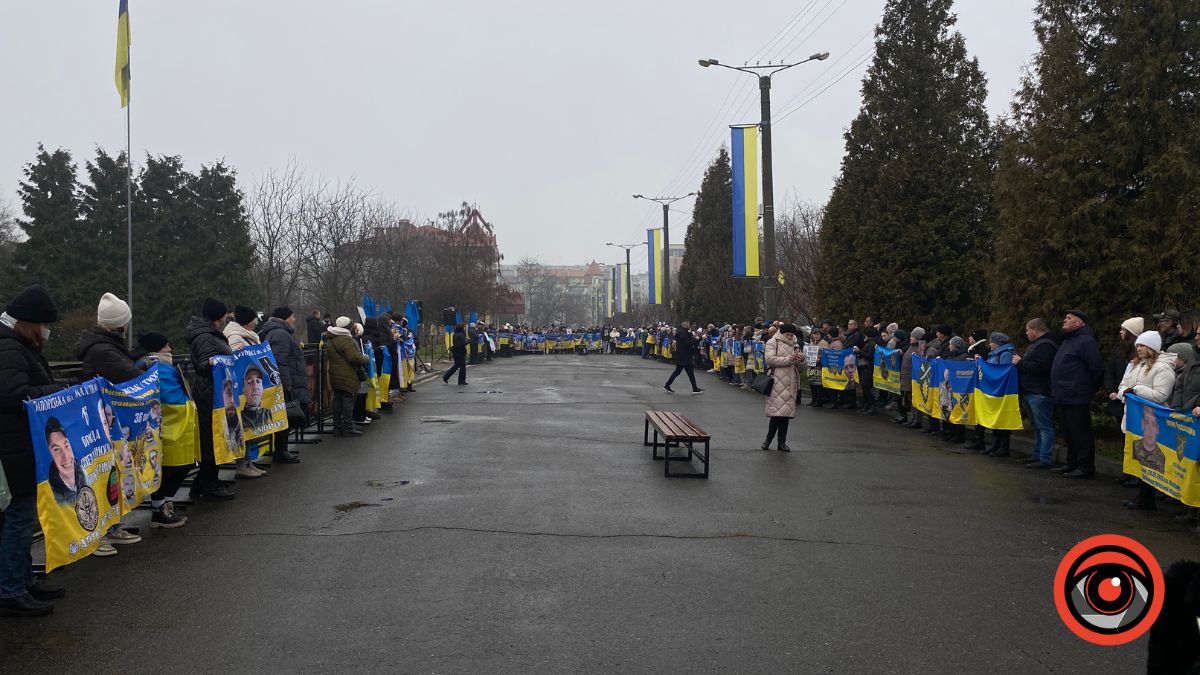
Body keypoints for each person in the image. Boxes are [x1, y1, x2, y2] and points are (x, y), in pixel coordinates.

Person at [0, 286, 68, 616]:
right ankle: (10, 590)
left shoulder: (17, 346)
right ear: (31, 324)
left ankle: (23, 580)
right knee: (18, 519)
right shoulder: (10, 349)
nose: (47, 331)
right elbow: (15, 394)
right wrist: (54, 390)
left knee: (23, 517)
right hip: (12, 447)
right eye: (44, 325)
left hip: (21, 445)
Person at [74, 292, 146, 552]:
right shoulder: (104, 350)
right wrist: (147, 371)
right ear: (121, 324)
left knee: (113, 475)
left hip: (109, 420)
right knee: (103, 476)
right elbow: (129, 375)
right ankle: (99, 535)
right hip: (101, 422)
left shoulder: (105, 345)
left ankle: (112, 527)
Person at [133, 331, 190, 527]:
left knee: (179, 464)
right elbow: (168, 396)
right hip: (167, 425)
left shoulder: (161, 367)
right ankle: (160, 507)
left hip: (176, 424)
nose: (170, 350)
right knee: (170, 466)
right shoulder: (154, 369)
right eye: (166, 346)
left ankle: (164, 503)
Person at [1115, 332, 1177, 511]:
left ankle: (1148, 497)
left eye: (1142, 345)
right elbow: (1123, 386)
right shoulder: (1136, 364)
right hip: (1135, 418)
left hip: (1152, 421)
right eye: (1138, 346)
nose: (1138, 348)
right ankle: (1142, 495)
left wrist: (1137, 390)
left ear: (1151, 347)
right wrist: (1125, 393)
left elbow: (1161, 395)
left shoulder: (1162, 368)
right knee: (1140, 458)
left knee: (1150, 459)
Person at [186, 297, 237, 499]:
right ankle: (209, 485)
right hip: (210, 393)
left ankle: (204, 482)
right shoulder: (206, 337)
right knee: (211, 437)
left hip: (214, 392)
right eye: (224, 314)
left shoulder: (209, 334)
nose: (226, 317)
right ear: (218, 316)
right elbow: (203, 366)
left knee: (213, 437)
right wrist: (215, 363)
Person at [1050, 309, 1104, 478]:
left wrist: (1087, 388)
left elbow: (1096, 368)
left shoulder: (1085, 342)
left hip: (1076, 395)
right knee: (1068, 433)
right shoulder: (1068, 341)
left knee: (1080, 433)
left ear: (1079, 322)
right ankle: (1071, 462)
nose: (1064, 320)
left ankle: (1085, 466)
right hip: (1063, 395)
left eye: (1069, 318)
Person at [259, 306, 308, 464]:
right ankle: (281, 450)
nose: (294, 319)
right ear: (285, 318)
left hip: (285, 379)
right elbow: (280, 361)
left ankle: (281, 449)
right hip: (285, 381)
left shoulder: (277, 332)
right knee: (284, 415)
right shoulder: (281, 334)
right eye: (292, 316)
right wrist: (287, 383)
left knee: (283, 415)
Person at [222, 305, 264, 478]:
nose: (256, 322)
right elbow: (238, 361)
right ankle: (242, 464)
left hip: (248, 386)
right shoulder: (235, 337)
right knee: (242, 426)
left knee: (249, 426)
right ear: (248, 320)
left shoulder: (247, 335)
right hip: (240, 388)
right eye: (254, 318)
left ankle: (248, 462)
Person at [1012, 318, 1058, 469]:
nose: (1026, 333)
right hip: (1031, 390)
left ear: (1035, 330)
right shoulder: (1037, 345)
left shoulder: (1046, 346)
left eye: (1027, 330)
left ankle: (1045, 458)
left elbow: (1041, 367)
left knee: (1044, 426)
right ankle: (1037, 454)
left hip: (1039, 391)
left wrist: (1021, 363)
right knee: (1037, 426)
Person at [761, 324, 804, 452]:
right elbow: (769, 359)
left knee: (786, 415)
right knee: (776, 414)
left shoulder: (796, 344)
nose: (790, 337)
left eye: (792, 335)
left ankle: (782, 443)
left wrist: (801, 360)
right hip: (777, 381)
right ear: (782, 333)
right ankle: (768, 440)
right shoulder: (772, 342)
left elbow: (801, 368)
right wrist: (788, 359)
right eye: (788, 335)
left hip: (791, 382)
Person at [325, 317, 369, 436]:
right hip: (347, 374)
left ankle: (337, 427)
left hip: (335, 374)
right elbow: (353, 358)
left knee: (338, 400)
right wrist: (365, 358)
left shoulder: (331, 338)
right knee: (348, 400)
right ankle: (348, 427)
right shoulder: (345, 339)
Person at [978, 332, 1015, 457]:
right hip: (993, 390)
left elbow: (1003, 372)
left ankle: (1003, 446)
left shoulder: (1005, 355)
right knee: (995, 418)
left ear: (997, 343)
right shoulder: (994, 354)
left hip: (1002, 391)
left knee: (1002, 419)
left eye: (991, 342)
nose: (990, 344)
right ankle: (995, 444)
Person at [663, 322, 703, 394]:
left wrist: (691, 335)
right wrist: (696, 339)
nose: (689, 325)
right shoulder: (683, 333)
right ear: (685, 325)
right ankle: (694, 388)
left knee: (678, 372)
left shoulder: (681, 332)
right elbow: (688, 344)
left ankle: (667, 385)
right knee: (689, 373)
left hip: (681, 356)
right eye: (688, 324)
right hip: (685, 356)